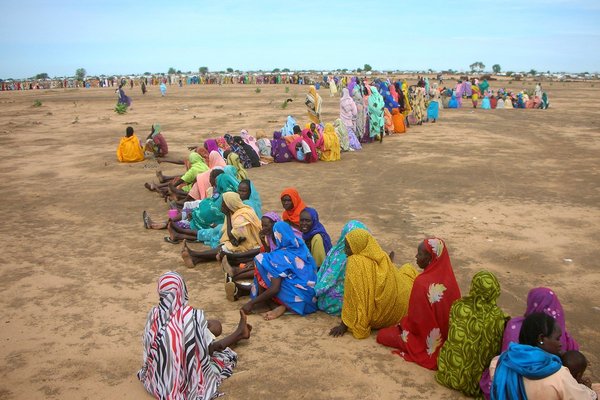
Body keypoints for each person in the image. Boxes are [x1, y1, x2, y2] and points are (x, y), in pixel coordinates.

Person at [137, 272, 251, 400]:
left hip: (156, 379)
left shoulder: (153, 314)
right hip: (183, 382)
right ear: (182, 289)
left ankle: (239, 333)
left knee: (200, 335)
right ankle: (239, 333)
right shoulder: (191, 316)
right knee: (215, 347)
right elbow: (206, 351)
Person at [376, 237, 461, 370]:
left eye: (420, 254)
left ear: (430, 258)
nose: (416, 256)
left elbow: (416, 323)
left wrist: (403, 325)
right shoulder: (451, 282)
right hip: (448, 337)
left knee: (382, 336)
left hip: (425, 340)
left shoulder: (421, 283)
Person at [329, 229, 417, 339]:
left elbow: (355, 297)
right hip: (400, 303)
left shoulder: (355, 262)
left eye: (348, 247)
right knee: (407, 270)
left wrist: (343, 325)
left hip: (380, 316)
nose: (345, 251)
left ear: (357, 246)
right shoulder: (380, 255)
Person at [489, 313, 598, 399]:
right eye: (557, 338)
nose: (560, 344)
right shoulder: (559, 376)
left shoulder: (500, 362)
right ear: (541, 339)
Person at [435, 271, 508, 397]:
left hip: (449, 374)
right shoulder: (498, 318)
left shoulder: (458, 306)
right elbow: (494, 349)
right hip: (474, 381)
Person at [241, 221, 318, 320]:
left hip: (297, 301)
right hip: (310, 298)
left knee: (261, 261)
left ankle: (272, 304)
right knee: (273, 268)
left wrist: (251, 303)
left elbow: (275, 289)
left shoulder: (279, 256)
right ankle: (280, 305)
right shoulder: (299, 244)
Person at [181, 191, 262, 267]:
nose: (221, 205)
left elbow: (235, 241)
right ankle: (195, 258)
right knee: (223, 246)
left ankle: (195, 255)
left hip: (251, 244)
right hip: (241, 241)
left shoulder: (242, 217)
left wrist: (227, 215)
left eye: (223, 203)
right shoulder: (235, 212)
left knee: (224, 249)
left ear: (229, 204)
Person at [315, 220, 368, 315]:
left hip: (332, 301)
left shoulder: (337, 251)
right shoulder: (363, 254)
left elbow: (327, 278)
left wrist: (315, 292)